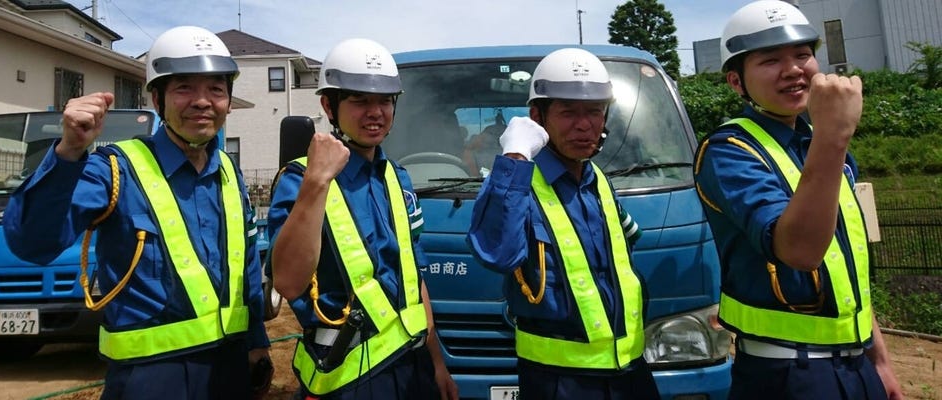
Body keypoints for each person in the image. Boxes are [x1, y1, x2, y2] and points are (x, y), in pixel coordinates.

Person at [2, 26, 272, 399]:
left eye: (216, 89)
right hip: (151, 381)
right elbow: (34, 244)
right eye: (184, 88)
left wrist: (257, 343)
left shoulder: (229, 171)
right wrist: (68, 153)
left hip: (230, 373)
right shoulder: (115, 169)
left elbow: (246, 268)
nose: (202, 101)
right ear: (157, 99)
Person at [693, 2, 903, 399]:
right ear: (736, 82)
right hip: (786, 373)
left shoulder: (817, 144)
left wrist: (880, 360)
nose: (793, 69)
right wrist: (833, 137)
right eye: (770, 60)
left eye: (802, 55)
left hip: (857, 365)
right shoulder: (729, 151)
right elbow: (800, 251)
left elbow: (845, 271)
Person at [266, 38, 458, 400]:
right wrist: (317, 182)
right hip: (348, 375)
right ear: (328, 105)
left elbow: (413, 279)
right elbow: (289, 283)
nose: (376, 112)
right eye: (360, 100)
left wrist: (437, 363)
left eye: (384, 100)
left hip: (412, 369)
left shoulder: (396, 177)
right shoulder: (301, 179)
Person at [467, 47, 660, 400]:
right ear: (537, 117)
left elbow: (627, 245)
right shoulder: (513, 182)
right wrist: (515, 157)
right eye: (569, 112)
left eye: (595, 112)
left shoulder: (598, 179)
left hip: (630, 371)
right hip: (559, 382)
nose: (584, 124)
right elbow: (496, 253)